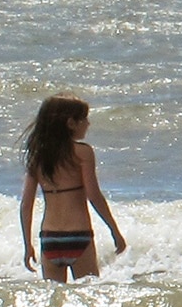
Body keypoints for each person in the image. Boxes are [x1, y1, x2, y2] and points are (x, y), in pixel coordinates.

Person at [20, 95, 126, 281]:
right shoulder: (83, 152)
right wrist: (114, 231)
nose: (88, 123)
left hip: (49, 238)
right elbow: (94, 196)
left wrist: (28, 244)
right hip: (79, 236)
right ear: (71, 123)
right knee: (87, 299)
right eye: (84, 119)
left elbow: (26, 204)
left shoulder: (37, 156)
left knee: (55, 301)